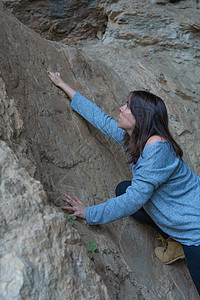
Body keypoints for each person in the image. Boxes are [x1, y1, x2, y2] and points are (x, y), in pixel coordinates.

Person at [47, 71, 200, 295]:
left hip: (195, 229)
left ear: (141, 118)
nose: (120, 108)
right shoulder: (137, 138)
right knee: (123, 188)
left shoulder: (157, 150)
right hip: (178, 213)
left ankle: (181, 242)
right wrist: (63, 85)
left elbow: (132, 201)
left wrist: (89, 213)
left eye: (127, 106)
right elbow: (101, 120)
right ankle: (173, 239)